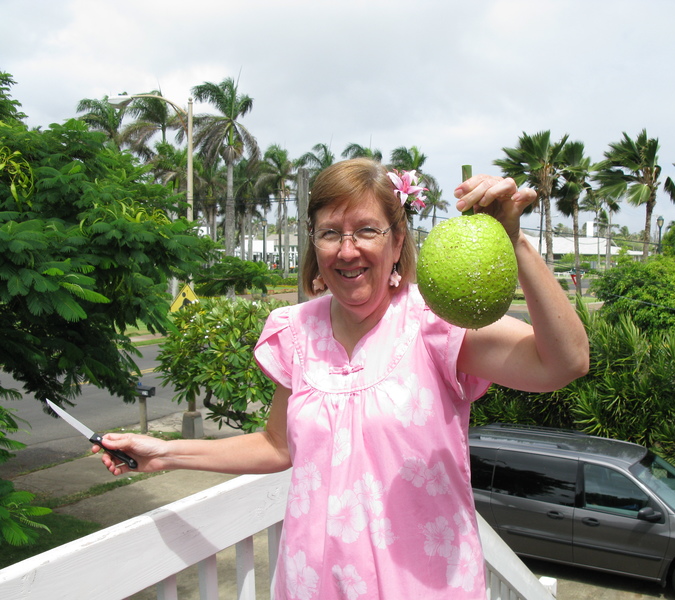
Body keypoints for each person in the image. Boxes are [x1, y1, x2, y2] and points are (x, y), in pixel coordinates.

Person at [96, 158, 589, 599]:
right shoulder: (296, 332)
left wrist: (515, 240)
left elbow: (563, 363)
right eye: (331, 232)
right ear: (315, 243)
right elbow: (277, 444)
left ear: (397, 242)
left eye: (367, 231)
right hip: (311, 585)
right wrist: (165, 453)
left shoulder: (434, 323)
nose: (347, 250)